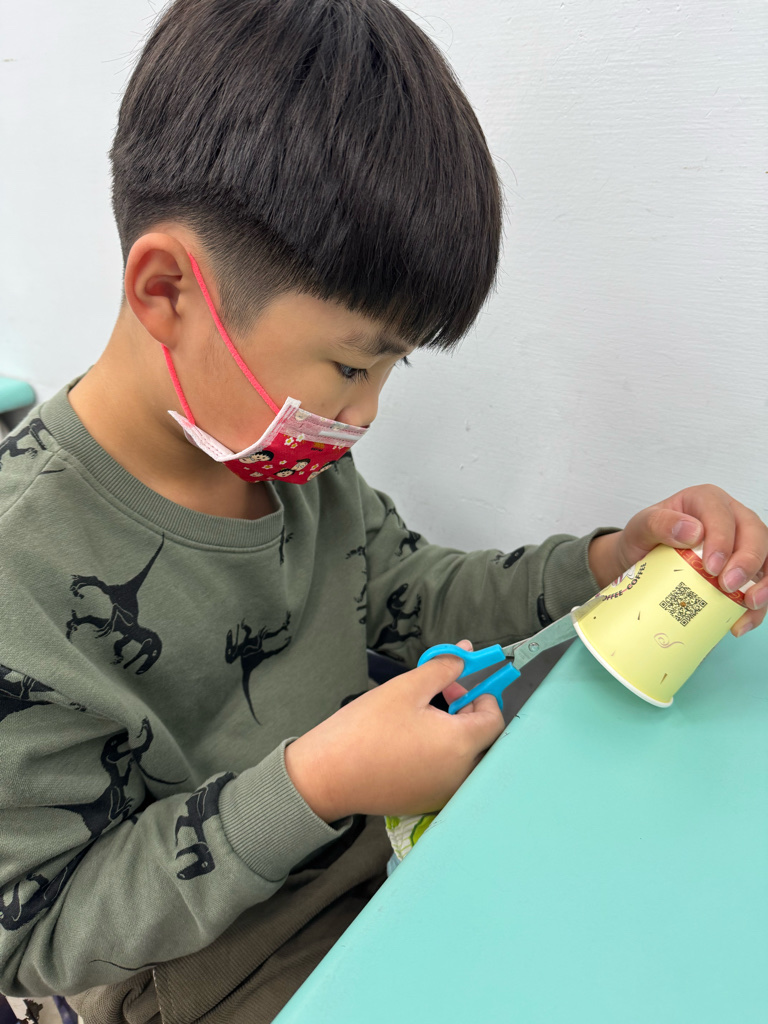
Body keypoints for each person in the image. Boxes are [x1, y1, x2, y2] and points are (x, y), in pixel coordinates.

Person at [0, 1, 766, 1021]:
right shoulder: (20, 580)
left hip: (384, 843)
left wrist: (605, 562)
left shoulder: (289, 462)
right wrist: (315, 782)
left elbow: (404, 589)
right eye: (352, 365)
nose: (363, 416)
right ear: (167, 290)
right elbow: (40, 936)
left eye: (390, 369)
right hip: (203, 972)